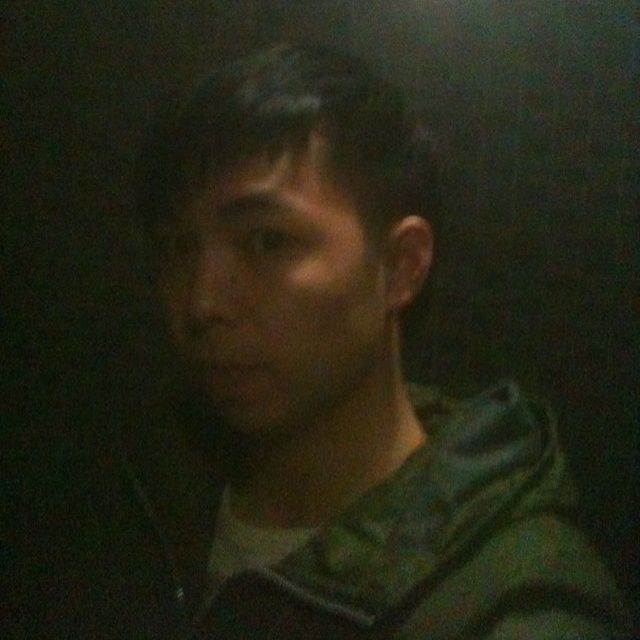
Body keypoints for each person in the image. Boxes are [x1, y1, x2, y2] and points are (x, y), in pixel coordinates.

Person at [118, 43, 630, 639]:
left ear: (400, 266)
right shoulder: (142, 488)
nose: (201, 303)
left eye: (266, 241)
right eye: (179, 248)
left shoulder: (514, 607)